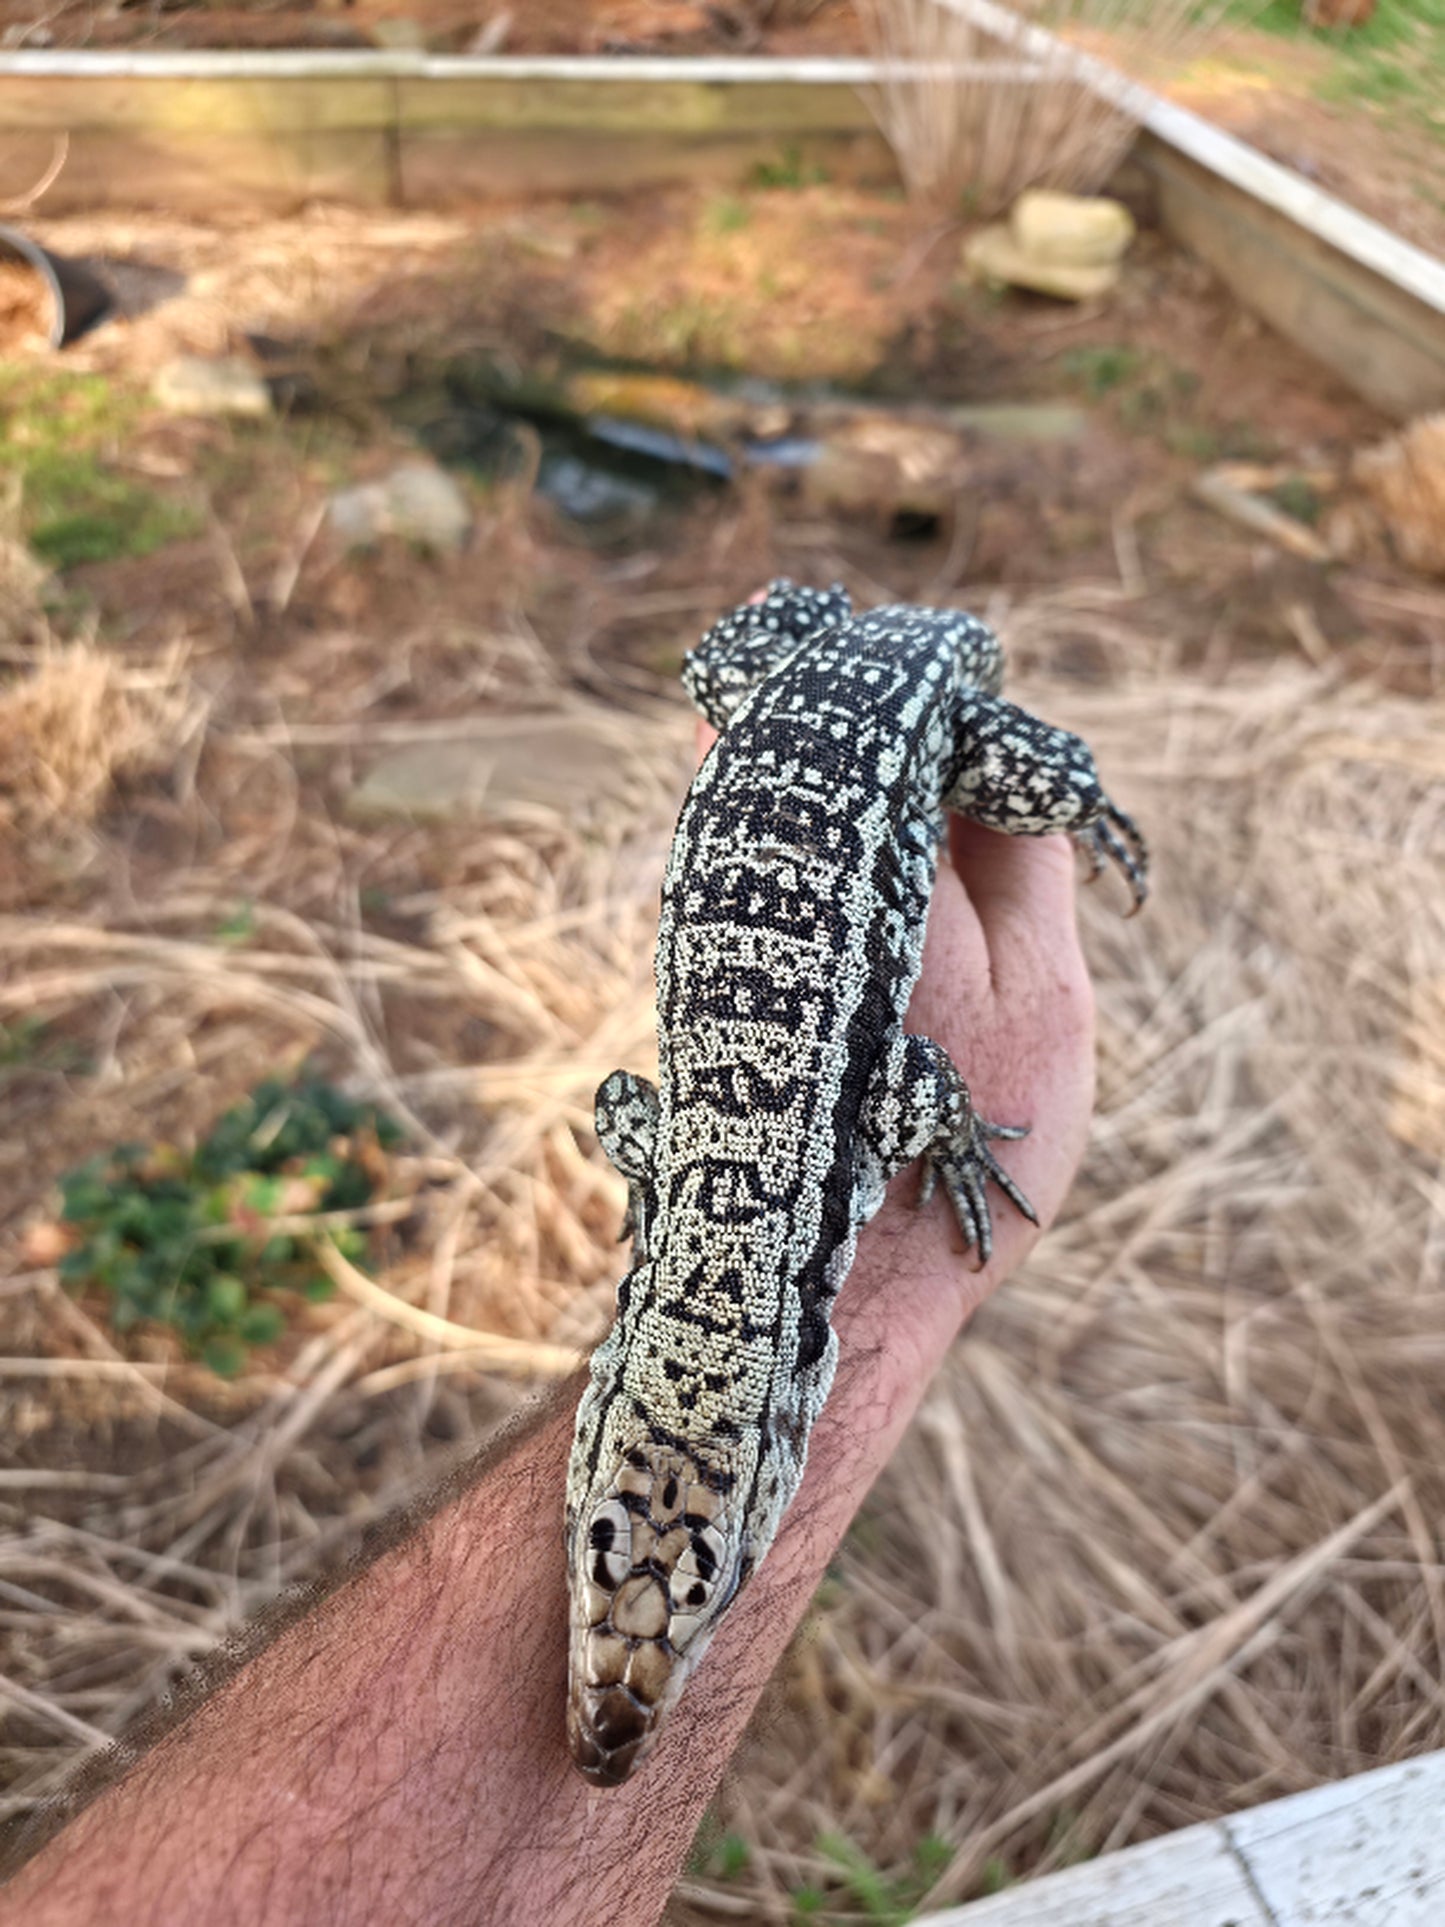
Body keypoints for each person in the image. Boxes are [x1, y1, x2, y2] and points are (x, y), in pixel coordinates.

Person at [2, 729, 1096, 1927]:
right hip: (808, 820)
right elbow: (636, 1110)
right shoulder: (767, 1186)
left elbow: (844, 1092)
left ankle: (1069, 786)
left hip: (891, 729)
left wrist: (935, 1159)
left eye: (602, 1532)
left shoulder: (819, 1181)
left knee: (1039, 792)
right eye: (711, 1561)